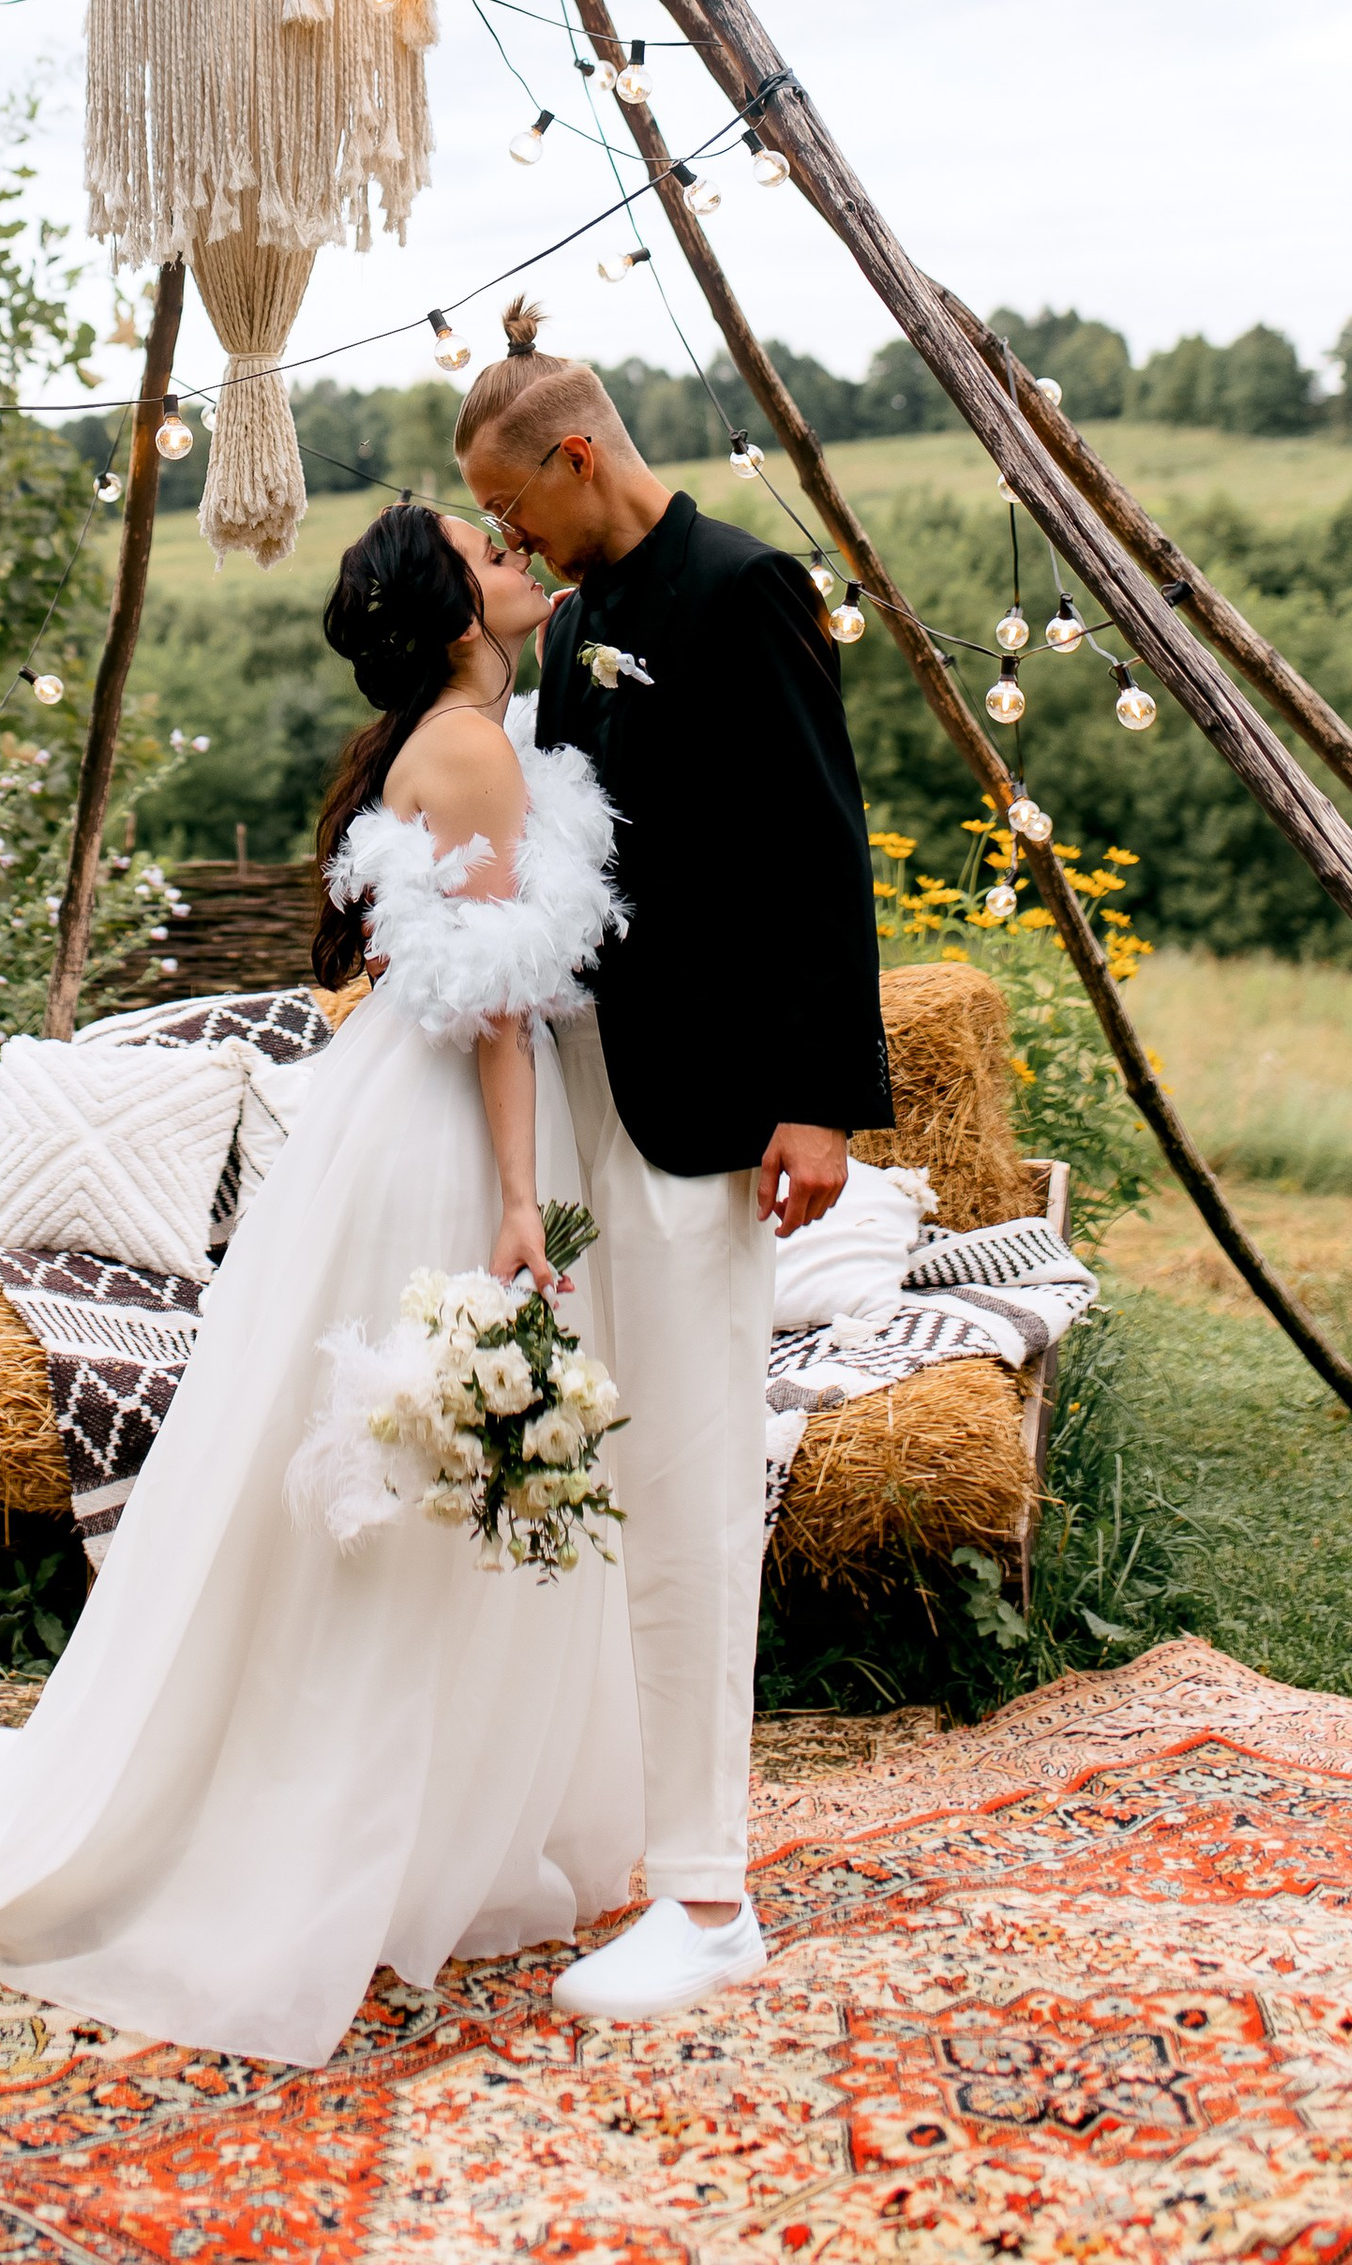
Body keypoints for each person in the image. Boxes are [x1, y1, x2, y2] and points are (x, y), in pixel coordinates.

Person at [0, 501, 641, 2067]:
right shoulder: (471, 746)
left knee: (404, 1462)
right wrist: (517, 1197)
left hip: (391, 1112)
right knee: (417, 1461)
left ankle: (405, 1819)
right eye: (489, 550)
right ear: (451, 614)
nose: (519, 555)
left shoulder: (451, 737)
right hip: (444, 1137)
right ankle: (364, 1839)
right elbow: (497, 1009)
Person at [455, 298, 887, 2023]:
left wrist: (823, 1100)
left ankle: (713, 1902)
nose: (506, 543)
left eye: (514, 510)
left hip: (717, 1111)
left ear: (579, 454)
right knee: (618, 1481)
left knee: (699, 1488)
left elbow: (819, 849)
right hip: (587, 1101)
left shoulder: (745, 590)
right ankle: (634, 1845)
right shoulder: (581, 626)